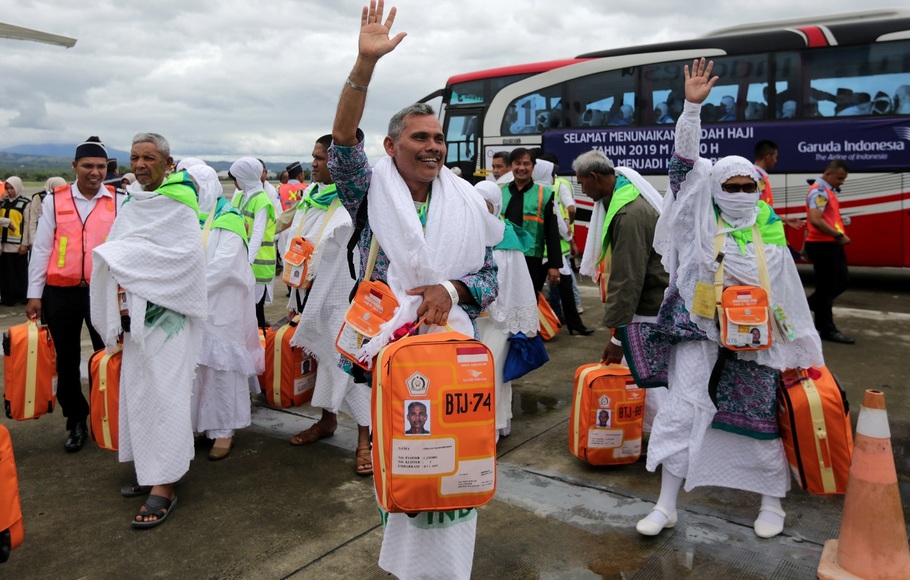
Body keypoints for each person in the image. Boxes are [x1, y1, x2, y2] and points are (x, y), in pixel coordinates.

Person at [328, 3, 502, 578]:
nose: (433, 146)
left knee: (458, 468)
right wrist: (363, 65)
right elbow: (341, 141)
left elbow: (488, 278)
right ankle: (405, 567)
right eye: (419, 137)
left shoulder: (467, 201)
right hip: (394, 356)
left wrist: (449, 289)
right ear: (391, 145)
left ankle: (452, 569)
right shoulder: (368, 190)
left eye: (439, 138)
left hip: (455, 354)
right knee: (408, 463)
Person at [623, 59, 823, 540]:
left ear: (757, 190)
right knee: (683, 408)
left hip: (755, 339)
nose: (737, 193)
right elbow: (684, 167)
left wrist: (798, 347)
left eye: (746, 187)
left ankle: (771, 503)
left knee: (755, 417)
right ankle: (666, 505)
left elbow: (788, 298)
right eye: (728, 187)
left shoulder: (769, 237)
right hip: (698, 329)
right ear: (714, 190)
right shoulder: (698, 224)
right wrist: (691, 109)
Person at [90, 132, 207, 528]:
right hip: (136, 320)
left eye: (150, 158)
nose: (140, 165)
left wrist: (123, 259)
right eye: (135, 157)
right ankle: (150, 468)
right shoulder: (133, 204)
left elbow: (187, 261)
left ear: (168, 163)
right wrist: (123, 261)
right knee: (140, 392)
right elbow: (122, 249)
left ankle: (166, 483)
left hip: (169, 321)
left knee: (167, 396)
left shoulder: (180, 205)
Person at [26, 138, 125, 452]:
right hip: (61, 293)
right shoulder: (55, 200)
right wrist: (34, 294)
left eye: (100, 167)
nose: (95, 173)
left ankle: (104, 416)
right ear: (74, 167)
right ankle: (76, 420)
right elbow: (42, 249)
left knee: (106, 356)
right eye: (88, 166)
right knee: (66, 360)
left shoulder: (119, 200)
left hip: (103, 292)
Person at [282, 135, 372, 477]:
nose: (314, 164)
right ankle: (327, 421)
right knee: (321, 358)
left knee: (352, 365)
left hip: (345, 296)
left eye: (321, 159)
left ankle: (364, 440)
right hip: (310, 294)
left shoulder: (357, 199)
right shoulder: (309, 197)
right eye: (314, 157)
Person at [573, 149, 669, 430]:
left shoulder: (628, 213)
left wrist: (617, 337)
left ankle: (659, 442)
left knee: (649, 383)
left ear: (594, 177)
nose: (582, 189)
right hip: (647, 306)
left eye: (582, 183)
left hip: (647, 310)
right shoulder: (622, 200)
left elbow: (628, 279)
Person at [186, 162, 263, 461]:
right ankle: (195, 425)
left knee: (221, 368)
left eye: (196, 186)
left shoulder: (228, 217)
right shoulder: (185, 215)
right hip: (192, 307)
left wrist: (189, 291)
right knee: (194, 368)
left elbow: (225, 264)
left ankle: (223, 430)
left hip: (221, 305)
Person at [503, 148, 591, 336]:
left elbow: (551, 232)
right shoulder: (500, 193)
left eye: (526, 164)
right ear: (511, 166)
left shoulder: (545, 194)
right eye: (517, 163)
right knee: (505, 298)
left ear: (533, 167)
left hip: (533, 257)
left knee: (529, 299)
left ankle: (526, 336)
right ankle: (506, 336)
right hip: (504, 257)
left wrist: (554, 265)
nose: (521, 168)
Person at [474, 181, 537, 440]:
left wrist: (518, 321)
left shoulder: (506, 237)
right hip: (472, 319)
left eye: (485, 205)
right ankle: (484, 424)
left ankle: (493, 428)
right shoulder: (467, 234)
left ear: (496, 206)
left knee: (492, 374)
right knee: (473, 376)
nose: (479, 210)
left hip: (499, 322)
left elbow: (519, 283)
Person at [804, 159, 854, 344]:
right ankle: (826, 329)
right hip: (824, 245)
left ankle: (810, 307)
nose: (841, 182)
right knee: (827, 287)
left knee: (840, 282)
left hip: (829, 244)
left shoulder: (825, 192)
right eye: (840, 178)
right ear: (828, 174)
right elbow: (815, 219)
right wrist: (839, 236)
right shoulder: (819, 192)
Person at [230, 157, 277, 328]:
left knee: (255, 309)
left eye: (236, 179)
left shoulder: (262, 200)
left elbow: (257, 234)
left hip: (257, 263)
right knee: (245, 308)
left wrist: (248, 262)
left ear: (244, 177)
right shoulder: (240, 198)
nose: (234, 183)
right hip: (242, 261)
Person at [0, 177, 30, 306]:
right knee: (5, 273)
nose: (9, 191)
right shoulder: (2, 202)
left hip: (17, 245)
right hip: (3, 245)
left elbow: (28, 225)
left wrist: (25, 244)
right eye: (7, 188)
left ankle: (22, 296)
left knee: (19, 272)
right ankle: (7, 298)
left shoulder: (25, 203)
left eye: (11, 188)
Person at [21, 176, 66, 258]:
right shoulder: (39, 197)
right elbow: (33, 220)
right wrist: (33, 240)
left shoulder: (65, 198)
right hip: (40, 237)